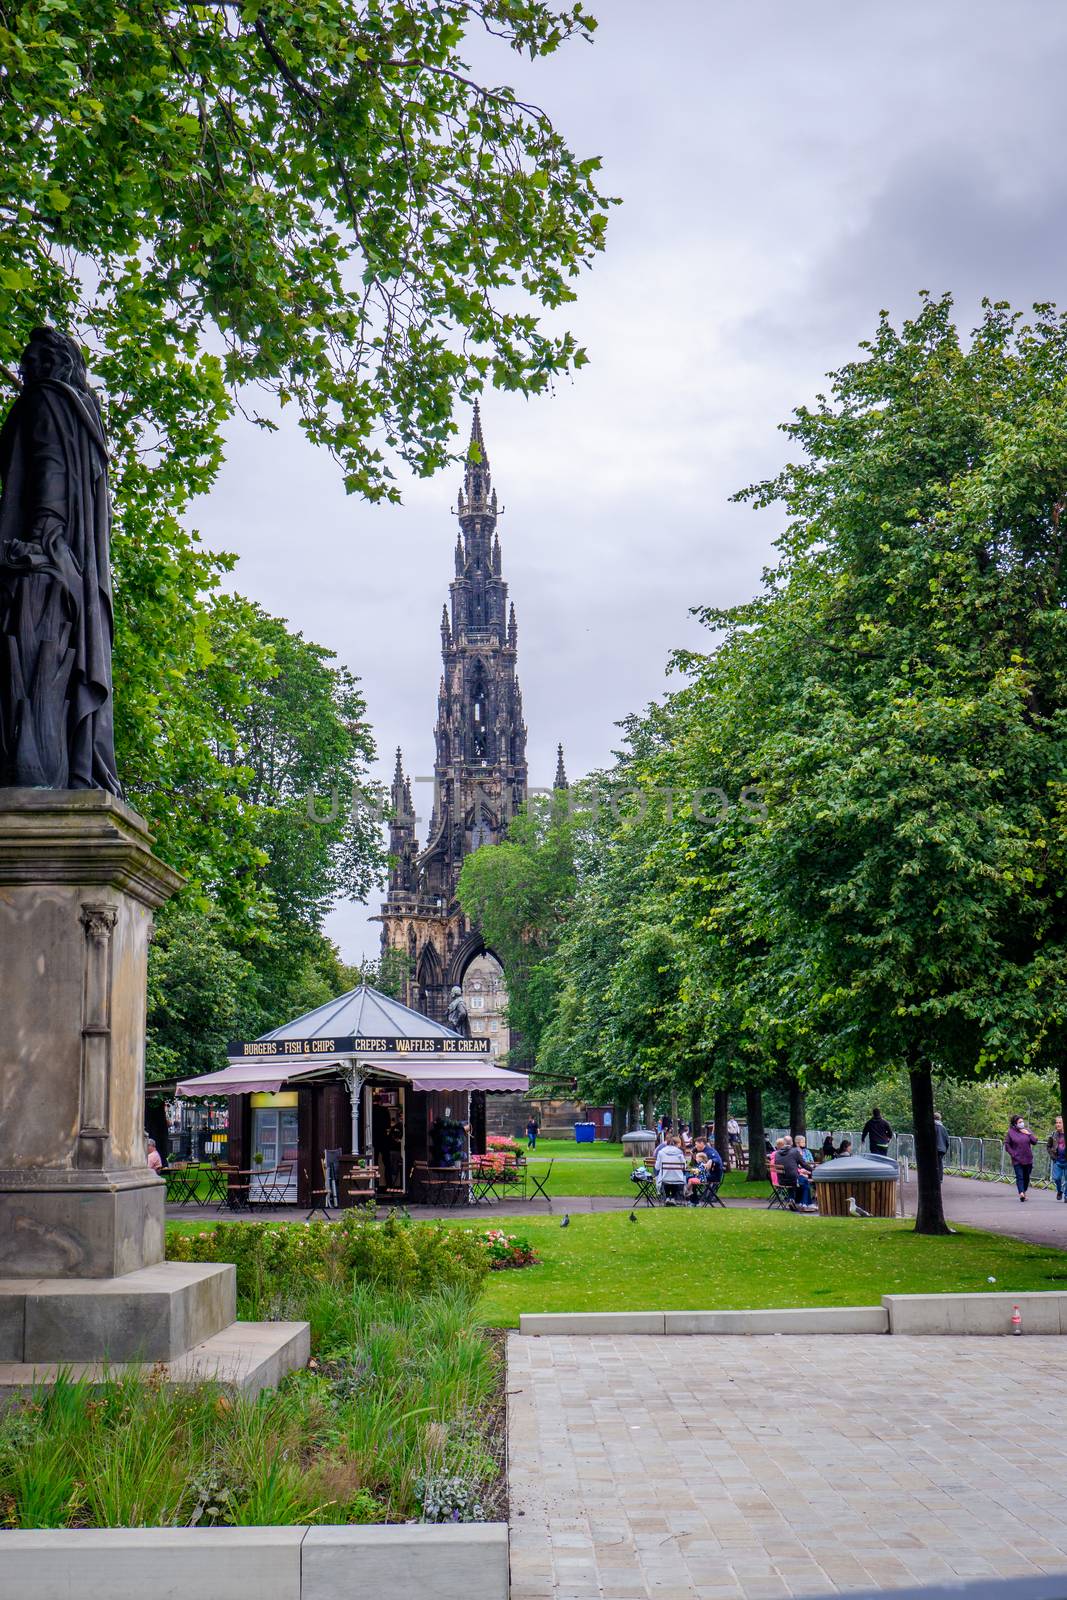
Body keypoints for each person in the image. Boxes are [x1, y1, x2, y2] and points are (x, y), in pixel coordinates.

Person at [1005, 1115, 1039, 1201]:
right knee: (1020, 1176)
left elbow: (1034, 1141)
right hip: (1017, 1159)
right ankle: (1021, 1193)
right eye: (1019, 1122)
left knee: (1026, 1177)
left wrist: (1028, 1134)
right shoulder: (1010, 1132)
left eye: (1022, 1122)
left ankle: (1024, 1191)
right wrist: (1013, 1154)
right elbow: (1007, 1145)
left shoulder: (1027, 1130)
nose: (1022, 1123)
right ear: (1015, 1124)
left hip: (1028, 1159)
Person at [777, 1137, 817, 1211]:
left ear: (784, 1143)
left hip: (781, 1180)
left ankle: (792, 1199)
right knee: (805, 1181)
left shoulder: (778, 1153)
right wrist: (813, 1170)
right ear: (792, 1143)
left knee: (799, 1179)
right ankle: (804, 1204)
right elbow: (804, 1164)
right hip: (793, 1180)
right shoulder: (794, 1152)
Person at [654, 1135, 688, 1202]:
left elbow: (657, 1167)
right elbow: (684, 1166)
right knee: (674, 1178)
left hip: (664, 1177)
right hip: (678, 1177)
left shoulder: (661, 1152)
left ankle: (667, 1197)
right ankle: (672, 1197)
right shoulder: (680, 1153)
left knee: (667, 1178)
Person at [1048, 1116, 1067, 1201]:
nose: (1058, 1124)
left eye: (1060, 1123)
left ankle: (1066, 1195)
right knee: (1056, 1178)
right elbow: (1048, 1146)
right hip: (1058, 1161)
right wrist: (1052, 1155)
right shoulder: (1054, 1134)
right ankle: (1059, 1191)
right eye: (1057, 1122)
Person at [934, 1111, 950, 1184]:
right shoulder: (943, 1128)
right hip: (942, 1149)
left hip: (934, 1149)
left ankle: (933, 1178)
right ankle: (940, 1178)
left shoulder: (932, 1127)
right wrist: (945, 1149)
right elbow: (947, 1140)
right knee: (940, 1163)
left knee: (932, 1163)